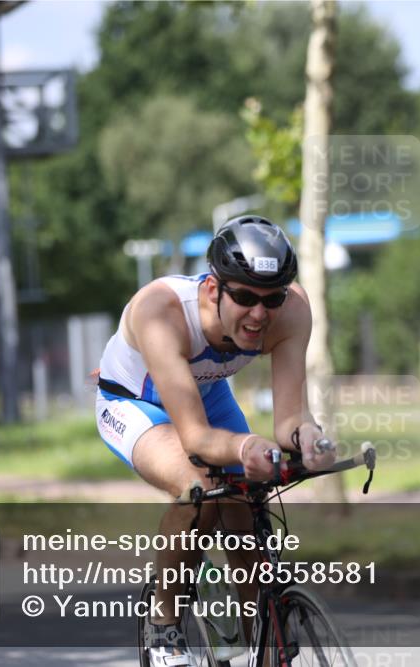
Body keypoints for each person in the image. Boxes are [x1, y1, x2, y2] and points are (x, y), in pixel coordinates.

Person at [94, 215, 335, 666]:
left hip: (204, 393)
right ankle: (163, 624)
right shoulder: (161, 310)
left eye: (271, 299)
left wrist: (313, 442)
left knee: (244, 512)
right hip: (134, 402)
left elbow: (291, 420)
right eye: (244, 297)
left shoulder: (294, 311)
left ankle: (267, 647)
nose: (260, 314)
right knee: (198, 489)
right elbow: (198, 437)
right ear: (212, 290)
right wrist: (247, 448)